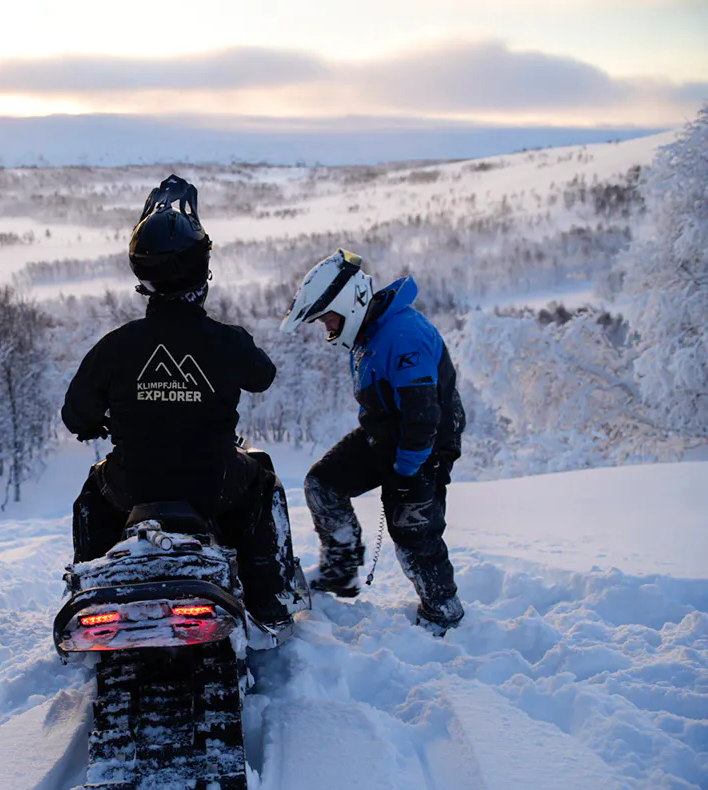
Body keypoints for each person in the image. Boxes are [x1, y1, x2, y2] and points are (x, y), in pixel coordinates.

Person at [62, 174, 302, 627]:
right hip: (215, 483)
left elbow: (76, 415)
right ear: (201, 272)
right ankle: (269, 603)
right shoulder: (226, 341)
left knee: (93, 495)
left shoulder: (115, 346)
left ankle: (91, 590)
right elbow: (264, 376)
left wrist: (99, 419)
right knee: (263, 482)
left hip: (133, 486)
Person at [279, 249, 466, 634]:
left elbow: (423, 416)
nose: (326, 327)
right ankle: (340, 573)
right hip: (386, 436)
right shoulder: (370, 330)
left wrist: (405, 471)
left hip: (423, 446)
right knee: (322, 484)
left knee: (413, 531)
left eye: (327, 318)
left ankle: (442, 611)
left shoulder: (402, 336)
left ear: (348, 304)